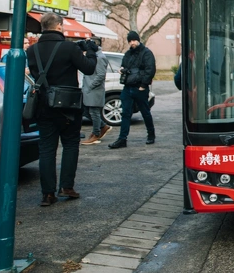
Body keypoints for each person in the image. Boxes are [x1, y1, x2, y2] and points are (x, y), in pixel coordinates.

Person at [26, 12, 98, 207]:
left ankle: (47, 194)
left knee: (47, 150)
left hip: (43, 106)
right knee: (71, 145)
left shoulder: (31, 51)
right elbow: (89, 68)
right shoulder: (69, 48)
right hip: (68, 107)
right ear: (58, 26)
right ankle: (66, 186)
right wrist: (91, 51)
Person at [109, 30, 157, 149]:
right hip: (128, 87)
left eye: (134, 40)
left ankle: (151, 134)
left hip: (140, 87)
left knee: (145, 112)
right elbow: (124, 66)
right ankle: (122, 139)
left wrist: (143, 85)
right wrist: (122, 70)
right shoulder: (127, 54)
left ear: (138, 40)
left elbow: (150, 70)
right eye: (130, 41)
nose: (132, 43)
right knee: (125, 113)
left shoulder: (146, 53)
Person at [81, 39, 110, 145]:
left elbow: (101, 75)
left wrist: (90, 86)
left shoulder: (100, 57)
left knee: (94, 112)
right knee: (86, 111)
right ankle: (103, 126)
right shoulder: (95, 56)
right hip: (89, 89)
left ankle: (96, 133)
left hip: (94, 89)